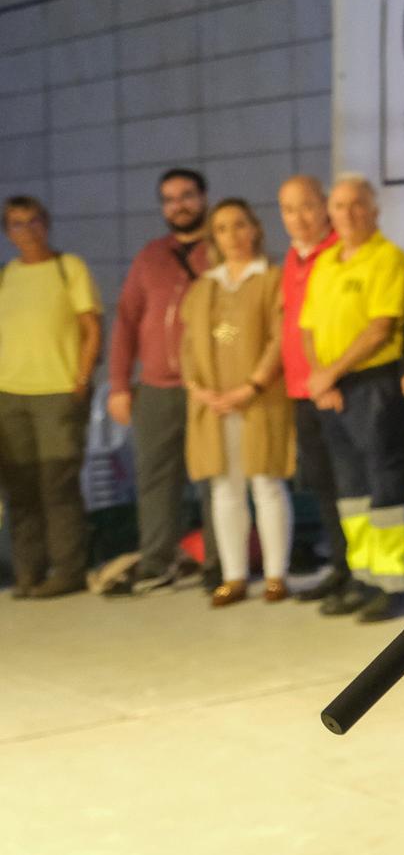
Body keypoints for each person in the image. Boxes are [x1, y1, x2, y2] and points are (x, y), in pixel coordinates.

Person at [300, 174, 404, 623]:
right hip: (333, 389)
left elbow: (379, 328)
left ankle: (394, 585)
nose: (347, 214)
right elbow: (308, 328)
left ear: (374, 210)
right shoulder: (326, 261)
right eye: (340, 205)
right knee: (351, 492)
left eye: (357, 205)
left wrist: (330, 373)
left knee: (383, 486)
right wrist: (320, 378)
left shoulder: (387, 258)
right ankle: (364, 577)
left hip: (373, 383)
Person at [103, 167, 212, 595]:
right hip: (156, 388)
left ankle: (219, 564)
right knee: (154, 478)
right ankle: (157, 561)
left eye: (186, 196)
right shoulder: (150, 256)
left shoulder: (219, 251)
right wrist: (118, 384)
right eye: (169, 199)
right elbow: (127, 320)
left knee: (213, 479)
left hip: (207, 389)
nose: (178, 205)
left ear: (202, 198)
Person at [179, 200, 293, 607]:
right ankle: (234, 575)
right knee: (224, 488)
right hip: (214, 403)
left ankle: (276, 574)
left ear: (255, 229)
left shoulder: (272, 278)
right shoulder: (203, 286)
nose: (232, 235)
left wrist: (251, 386)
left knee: (266, 483)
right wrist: (198, 387)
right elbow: (189, 344)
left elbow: (280, 339)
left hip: (258, 398)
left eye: (240, 225)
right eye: (223, 228)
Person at [0, 195, 101, 598]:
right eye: (17, 224)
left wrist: (81, 377)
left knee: (57, 485)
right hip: (10, 395)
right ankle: (29, 572)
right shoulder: (6, 276)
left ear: (47, 222)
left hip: (58, 392)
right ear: (8, 232)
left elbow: (91, 327)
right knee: (20, 487)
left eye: (34, 220)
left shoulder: (68, 268)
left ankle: (68, 571)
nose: (28, 230)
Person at [276, 176, 346, 600]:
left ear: (324, 206)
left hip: (333, 386)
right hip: (299, 389)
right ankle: (339, 565)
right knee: (323, 483)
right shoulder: (292, 256)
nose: (298, 218)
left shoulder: (340, 252)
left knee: (352, 486)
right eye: (288, 209)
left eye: (306, 206)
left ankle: (363, 572)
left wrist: (327, 376)